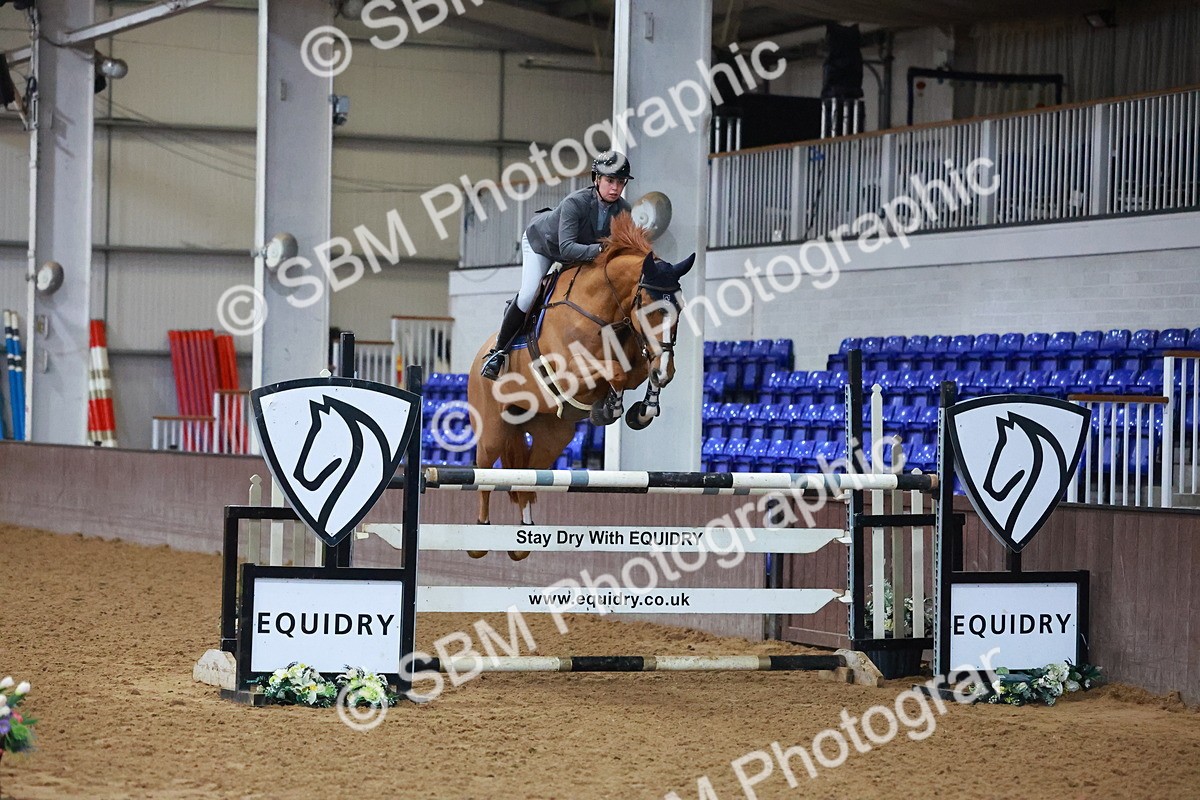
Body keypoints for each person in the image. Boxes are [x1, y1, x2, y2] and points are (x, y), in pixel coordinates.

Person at [479, 150, 634, 380]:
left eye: (620, 183)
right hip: (543, 245)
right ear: (596, 179)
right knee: (530, 293)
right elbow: (567, 248)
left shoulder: (623, 210)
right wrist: (601, 250)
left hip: (580, 253)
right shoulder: (576, 202)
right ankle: (498, 352)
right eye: (610, 181)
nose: (615, 188)